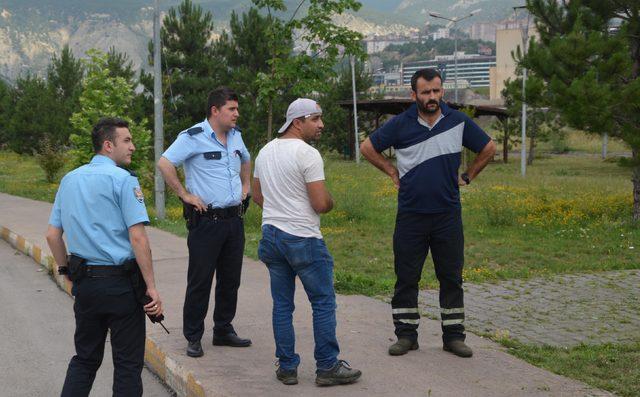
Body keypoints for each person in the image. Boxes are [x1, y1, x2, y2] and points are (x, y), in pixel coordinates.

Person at [360, 68, 496, 358]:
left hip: (447, 215)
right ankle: (406, 336)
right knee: (407, 277)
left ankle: (454, 336)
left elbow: (488, 148)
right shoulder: (400, 124)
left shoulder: (457, 121)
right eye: (425, 92)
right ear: (414, 95)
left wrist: (468, 175)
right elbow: (367, 147)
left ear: (442, 91)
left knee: (451, 277)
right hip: (411, 215)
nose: (432, 97)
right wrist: (389, 169)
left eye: (436, 91)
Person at [46, 117, 163, 396]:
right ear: (108, 145)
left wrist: (66, 274)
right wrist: (151, 287)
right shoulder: (124, 180)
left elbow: (52, 235)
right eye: (127, 140)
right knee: (126, 364)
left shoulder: (69, 179)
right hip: (120, 286)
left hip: (85, 283)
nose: (133, 146)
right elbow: (138, 238)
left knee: (85, 359)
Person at [252, 98, 362, 386]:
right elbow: (319, 203)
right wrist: (330, 202)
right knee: (323, 302)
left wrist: (280, 209)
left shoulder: (264, 152)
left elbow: (257, 195)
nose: (321, 125)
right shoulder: (307, 154)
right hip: (303, 238)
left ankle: (287, 367)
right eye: (316, 119)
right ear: (297, 122)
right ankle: (327, 367)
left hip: (271, 236)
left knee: (282, 305)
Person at [157, 87, 252, 358]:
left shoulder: (236, 137)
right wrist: (184, 194)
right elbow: (165, 163)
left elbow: (245, 159)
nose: (236, 113)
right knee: (200, 280)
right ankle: (194, 336)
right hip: (206, 222)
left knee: (230, 279)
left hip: (234, 220)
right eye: (231, 109)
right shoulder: (193, 137)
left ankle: (223, 329)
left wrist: (246, 185)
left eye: (236, 108)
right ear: (215, 110)